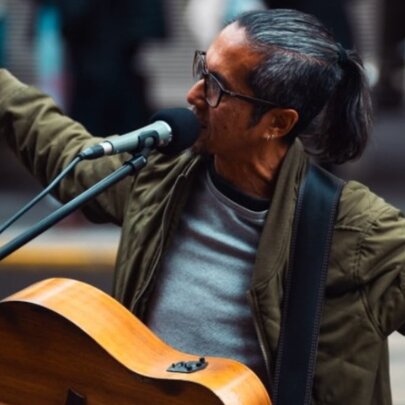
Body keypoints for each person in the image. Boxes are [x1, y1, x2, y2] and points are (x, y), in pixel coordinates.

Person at [0, 8, 404, 404]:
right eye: (202, 71)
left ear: (277, 124)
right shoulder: (162, 176)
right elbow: (62, 149)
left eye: (216, 88)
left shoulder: (360, 233)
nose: (192, 96)